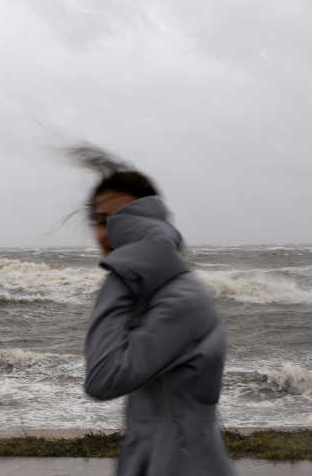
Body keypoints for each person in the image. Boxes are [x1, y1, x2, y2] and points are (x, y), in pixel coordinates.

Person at [82, 169, 234, 476]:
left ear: (146, 227)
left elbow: (103, 378)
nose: (108, 233)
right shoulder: (149, 294)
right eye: (100, 221)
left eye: (122, 221)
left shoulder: (181, 300)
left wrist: (121, 272)